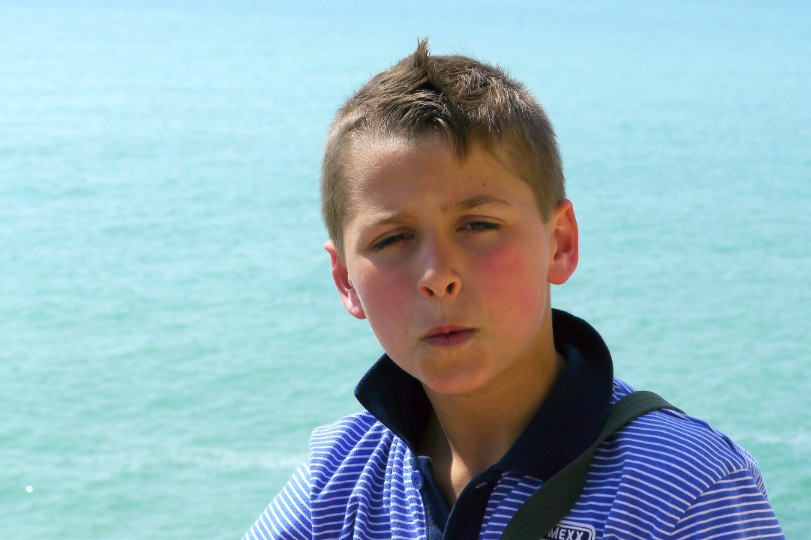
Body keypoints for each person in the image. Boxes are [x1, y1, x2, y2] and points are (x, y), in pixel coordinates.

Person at [245, 40, 783, 540]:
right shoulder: (340, 477)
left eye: (478, 225)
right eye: (393, 239)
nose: (436, 275)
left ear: (560, 243)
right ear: (345, 280)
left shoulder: (684, 486)